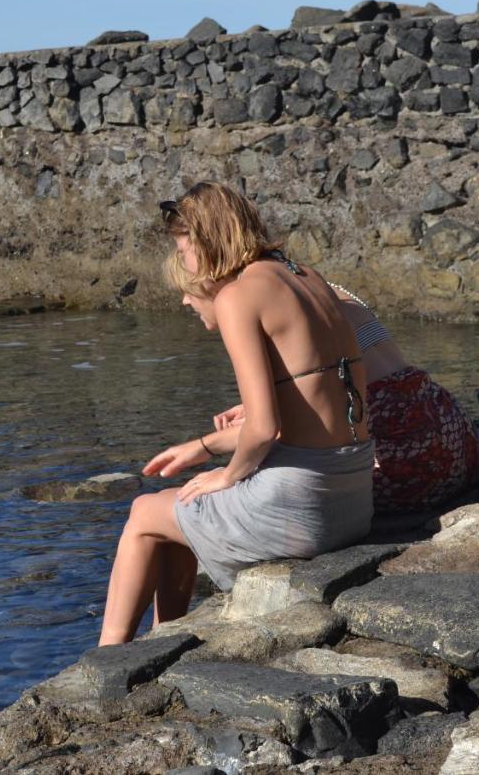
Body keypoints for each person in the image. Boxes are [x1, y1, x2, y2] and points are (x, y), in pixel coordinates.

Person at [98, 181, 375, 646]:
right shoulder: (308, 277)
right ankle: (165, 640)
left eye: (184, 249)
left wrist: (227, 474)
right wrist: (206, 452)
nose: (186, 262)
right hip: (353, 493)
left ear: (207, 241)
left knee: (145, 511)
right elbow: (311, 398)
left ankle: (106, 655)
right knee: (180, 511)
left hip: (304, 504)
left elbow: (265, 427)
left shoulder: (239, 295)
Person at [211, 285, 479, 512]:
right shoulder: (318, 284)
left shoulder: (265, 304)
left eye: (187, 290)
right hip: (454, 437)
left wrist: (211, 448)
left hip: (408, 463)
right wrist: (260, 406)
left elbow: (279, 428)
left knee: (244, 483)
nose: (185, 300)